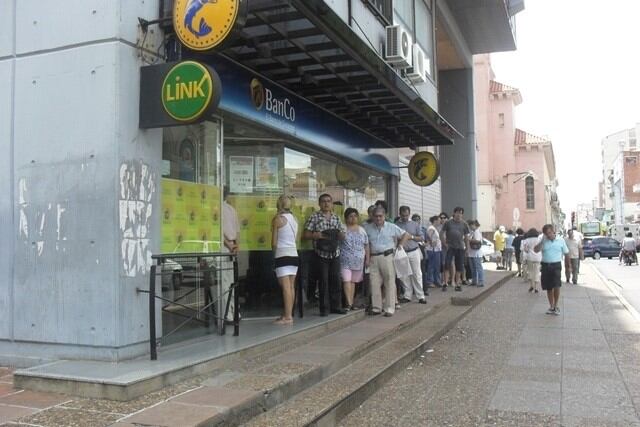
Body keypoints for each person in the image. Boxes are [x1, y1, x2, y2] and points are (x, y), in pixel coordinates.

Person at [303, 194, 347, 316]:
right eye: (323, 201)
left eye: (328, 201)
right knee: (323, 281)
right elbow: (305, 234)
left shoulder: (336, 218)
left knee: (336, 280)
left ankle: (336, 306)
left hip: (335, 253)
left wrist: (341, 235)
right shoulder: (314, 217)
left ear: (332, 203)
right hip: (320, 254)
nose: (326, 204)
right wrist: (314, 235)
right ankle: (324, 308)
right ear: (319, 203)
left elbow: (342, 234)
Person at [363, 206, 410, 317]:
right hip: (373, 257)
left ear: (384, 216)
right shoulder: (367, 228)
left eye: (380, 216)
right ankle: (376, 307)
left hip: (387, 256)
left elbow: (406, 235)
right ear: (372, 217)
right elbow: (366, 244)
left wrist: (400, 246)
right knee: (374, 283)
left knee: (389, 282)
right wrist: (367, 258)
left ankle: (389, 308)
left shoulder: (391, 227)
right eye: (376, 216)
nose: (378, 218)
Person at [271, 195, 299, 325]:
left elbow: (274, 242)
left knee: (286, 288)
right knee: (291, 287)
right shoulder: (295, 219)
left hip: (282, 254)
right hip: (294, 254)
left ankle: (288, 317)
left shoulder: (278, 219)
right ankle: (288, 313)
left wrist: (273, 253)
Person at [534, 224, 569, 315]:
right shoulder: (543, 241)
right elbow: (535, 250)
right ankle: (551, 306)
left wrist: (568, 266)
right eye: (546, 234)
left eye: (549, 233)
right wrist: (542, 241)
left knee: (556, 286)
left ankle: (556, 305)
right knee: (549, 287)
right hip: (545, 265)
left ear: (553, 231)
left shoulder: (561, 240)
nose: (548, 235)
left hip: (556, 265)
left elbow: (566, 253)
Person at [396, 207, 427, 304]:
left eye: (406, 215)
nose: (405, 217)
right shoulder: (396, 225)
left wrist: (412, 237)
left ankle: (420, 296)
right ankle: (407, 295)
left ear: (409, 214)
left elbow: (422, 237)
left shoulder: (415, 224)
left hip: (414, 251)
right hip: (402, 252)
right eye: (403, 215)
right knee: (404, 275)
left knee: (417, 274)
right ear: (399, 214)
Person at [340, 208, 370, 310]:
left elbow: (366, 245)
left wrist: (367, 259)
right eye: (350, 216)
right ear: (346, 218)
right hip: (345, 260)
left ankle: (351, 303)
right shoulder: (342, 228)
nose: (353, 218)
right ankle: (348, 303)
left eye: (355, 216)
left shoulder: (362, 230)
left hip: (358, 261)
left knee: (353, 282)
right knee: (346, 280)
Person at [440, 207, 470, 292]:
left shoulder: (464, 224)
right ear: (454, 213)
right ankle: (445, 283)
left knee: (459, 266)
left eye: (460, 213)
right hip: (450, 247)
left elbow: (466, 237)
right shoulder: (448, 223)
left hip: (460, 247)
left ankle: (457, 284)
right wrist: (444, 243)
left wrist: (467, 249)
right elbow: (442, 233)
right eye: (457, 212)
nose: (458, 214)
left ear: (462, 214)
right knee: (447, 264)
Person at [425, 216, 443, 288]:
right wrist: (432, 242)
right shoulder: (431, 228)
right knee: (432, 266)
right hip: (433, 249)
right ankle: (430, 281)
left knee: (436, 266)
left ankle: (436, 280)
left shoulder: (434, 228)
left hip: (436, 249)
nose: (440, 221)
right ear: (435, 221)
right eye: (439, 220)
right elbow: (429, 236)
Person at [466, 220, 485, 287]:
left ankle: (481, 281)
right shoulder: (472, 232)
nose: (470, 226)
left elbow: (478, 240)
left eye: (471, 225)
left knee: (478, 267)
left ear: (474, 225)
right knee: (473, 268)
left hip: (476, 253)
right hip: (471, 252)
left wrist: (469, 239)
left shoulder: (477, 232)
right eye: (469, 225)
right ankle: (474, 281)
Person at [522, 228, 541, 293]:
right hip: (538, 257)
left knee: (530, 271)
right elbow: (541, 248)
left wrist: (529, 251)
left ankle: (531, 285)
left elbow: (525, 249)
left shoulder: (527, 240)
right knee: (536, 272)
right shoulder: (539, 239)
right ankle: (536, 287)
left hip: (530, 257)